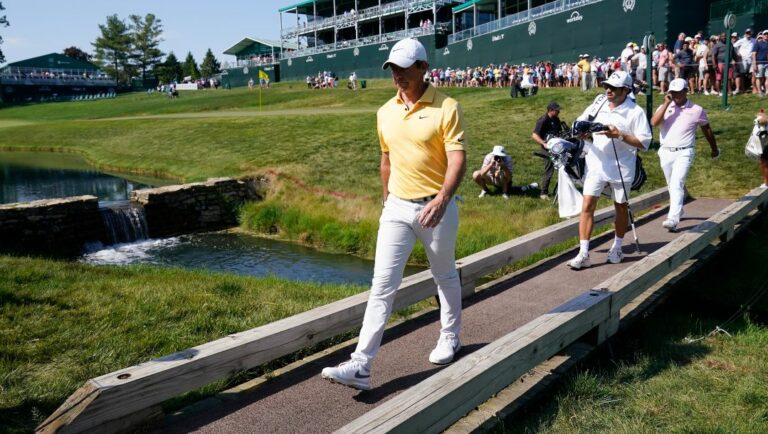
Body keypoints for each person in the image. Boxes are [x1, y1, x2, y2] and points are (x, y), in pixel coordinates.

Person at [321, 38, 467, 390]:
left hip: (437, 207)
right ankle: (361, 364)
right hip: (397, 208)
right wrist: (387, 200)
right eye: (393, 69)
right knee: (381, 286)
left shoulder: (446, 107)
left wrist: (444, 198)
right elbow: (386, 160)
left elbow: (457, 158)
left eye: (404, 68)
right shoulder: (384, 112)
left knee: (444, 274)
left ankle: (450, 336)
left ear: (423, 68)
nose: (397, 75)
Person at [567, 71, 652, 269]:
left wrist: (619, 135)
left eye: (613, 88)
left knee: (620, 207)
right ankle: (584, 253)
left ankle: (618, 247)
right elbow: (580, 122)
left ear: (625, 90)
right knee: (587, 205)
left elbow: (644, 143)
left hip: (622, 168)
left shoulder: (635, 112)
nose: (608, 90)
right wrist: (582, 131)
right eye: (606, 86)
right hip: (596, 164)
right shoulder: (599, 103)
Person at [650, 78, 719, 232]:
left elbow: (706, 129)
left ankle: (673, 219)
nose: (676, 95)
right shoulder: (664, 107)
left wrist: (714, 148)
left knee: (676, 183)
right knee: (671, 184)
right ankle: (679, 210)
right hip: (666, 151)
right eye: (672, 92)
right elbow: (654, 122)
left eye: (679, 92)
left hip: (685, 151)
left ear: (686, 91)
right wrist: (667, 104)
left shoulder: (697, 109)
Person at [532, 101, 564, 199]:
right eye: (556, 110)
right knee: (549, 170)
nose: (558, 112)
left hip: (558, 147)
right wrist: (544, 144)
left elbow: (559, 132)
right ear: (550, 110)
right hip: (547, 149)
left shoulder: (556, 119)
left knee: (562, 169)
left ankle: (560, 190)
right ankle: (544, 193)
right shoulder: (543, 120)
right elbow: (534, 135)